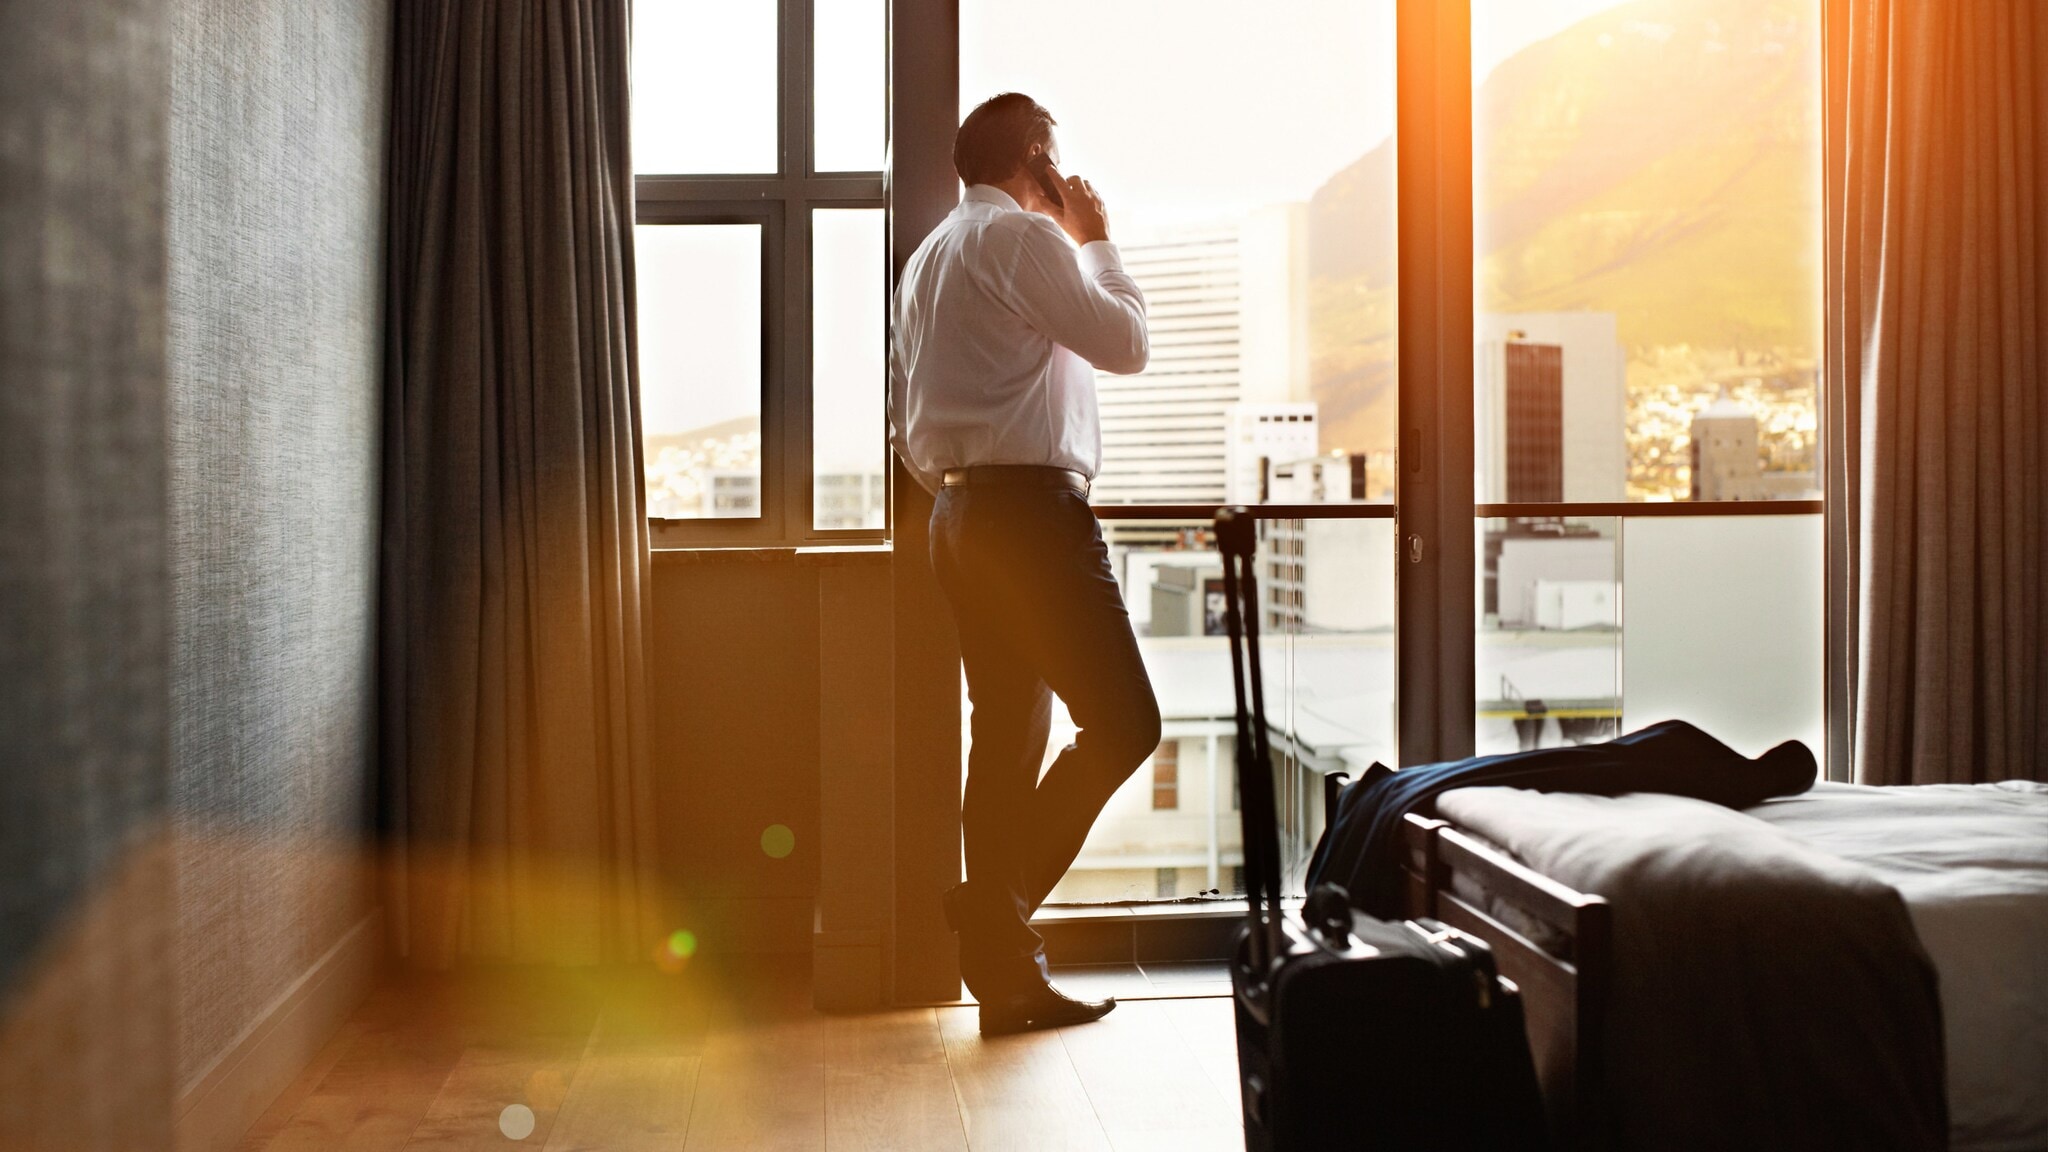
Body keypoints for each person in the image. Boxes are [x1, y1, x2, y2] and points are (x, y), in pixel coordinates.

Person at [889, 93, 1163, 1036]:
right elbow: (1125, 345)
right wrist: (1094, 237)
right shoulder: (1027, 243)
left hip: (957, 515)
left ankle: (1005, 981)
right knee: (1126, 723)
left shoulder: (928, 259)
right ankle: (992, 908)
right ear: (1038, 155)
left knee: (1004, 741)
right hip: (1030, 519)